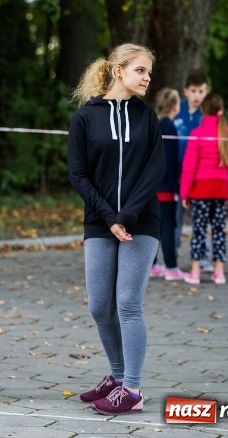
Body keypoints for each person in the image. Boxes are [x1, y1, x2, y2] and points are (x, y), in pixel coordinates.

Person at [68, 43, 164, 415]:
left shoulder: (148, 117)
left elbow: (154, 171)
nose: (147, 78)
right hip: (99, 220)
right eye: (141, 70)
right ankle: (118, 375)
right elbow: (78, 174)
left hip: (142, 221)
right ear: (117, 70)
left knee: (127, 302)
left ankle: (133, 390)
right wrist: (109, 216)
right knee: (99, 306)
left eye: (149, 73)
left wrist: (127, 215)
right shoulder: (85, 117)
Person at [180, 93, 228, 285]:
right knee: (219, 230)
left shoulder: (196, 134)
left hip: (200, 190)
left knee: (198, 231)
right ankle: (219, 272)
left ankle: (196, 271)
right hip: (222, 190)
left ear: (203, 111)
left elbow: (189, 166)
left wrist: (184, 192)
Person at [172, 73, 212, 272]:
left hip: (199, 176)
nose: (197, 95)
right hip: (176, 174)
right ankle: (174, 254)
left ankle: (202, 257)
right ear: (186, 91)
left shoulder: (207, 116)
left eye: (201, 91)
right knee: (174, 218)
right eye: (194, 91)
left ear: (206, 93)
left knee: (200, 219)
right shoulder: (176, 112)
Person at [149, 88, 187, 281]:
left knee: (153, 227)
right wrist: (175, 186)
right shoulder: (169, 127)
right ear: (174, 106)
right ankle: (171, 267)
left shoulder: (153, 124)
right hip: (164, 187)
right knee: (168, 226)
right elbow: (170, 160)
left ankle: (153, 264)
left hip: (149, 187)